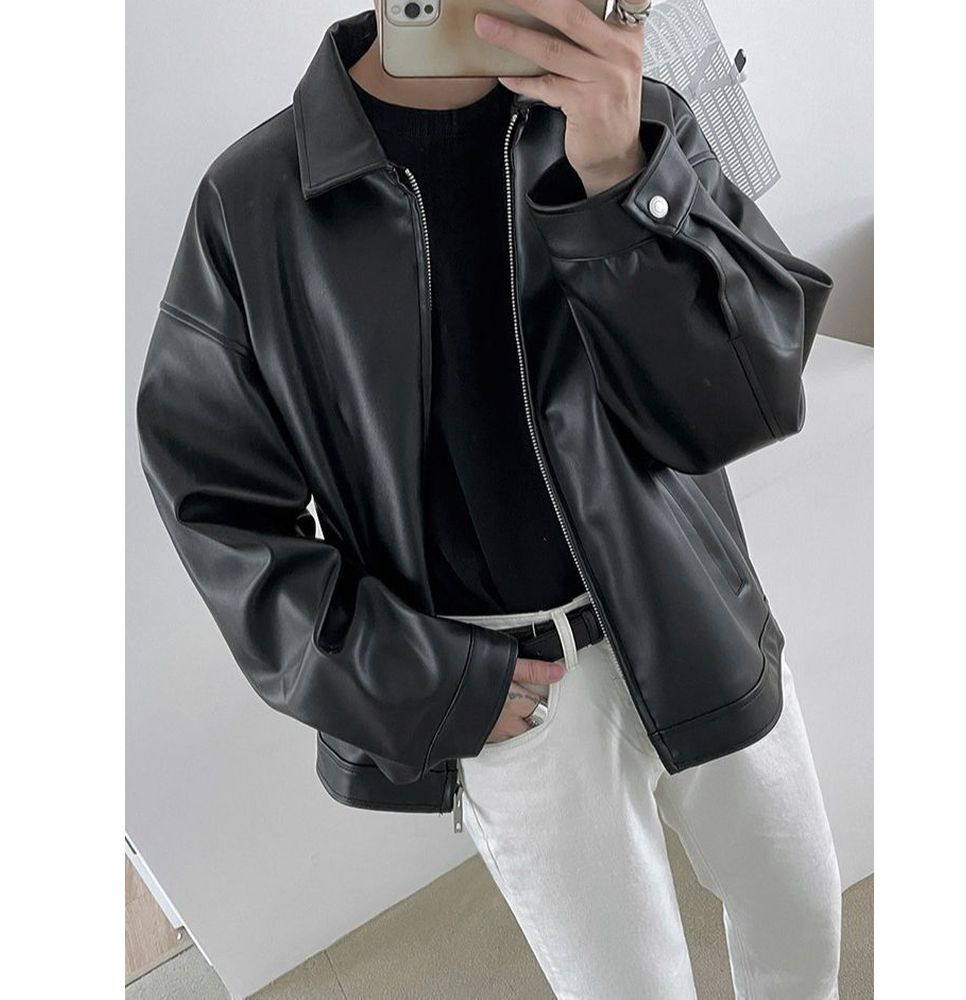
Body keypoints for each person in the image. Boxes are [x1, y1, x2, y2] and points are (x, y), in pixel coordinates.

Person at [136, 2, 842, 996]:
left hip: (694, 612)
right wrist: (424, 685)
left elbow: (745, 400)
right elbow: (217, 507)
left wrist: (620, 176)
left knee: (800, 923)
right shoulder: (254, 204)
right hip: (507, 692)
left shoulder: (632, 116)